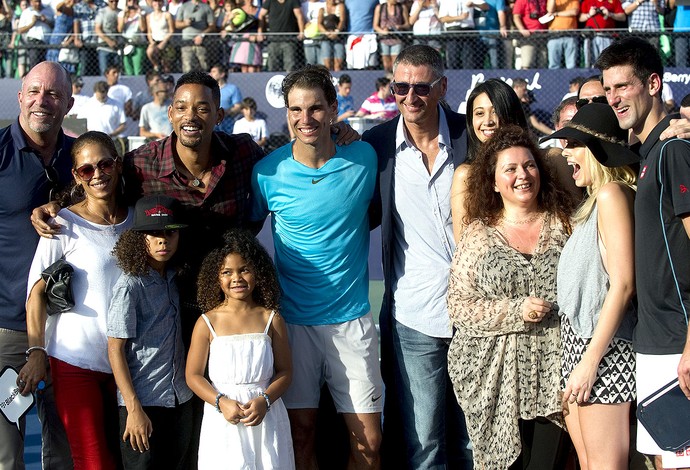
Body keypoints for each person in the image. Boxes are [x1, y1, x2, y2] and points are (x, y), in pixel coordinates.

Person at [250, 65, 382, 469]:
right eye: (295, 109)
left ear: (334, 109)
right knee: (300, 436)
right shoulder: (266, 172)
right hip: (294, 326)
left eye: (315, 108)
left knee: (370, 443)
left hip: (353, 322)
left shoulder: (364, 157)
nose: (304, 119)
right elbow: (244, 235)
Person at [362, 44, 472, 469]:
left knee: (470, 438)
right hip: (413, 316)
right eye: (400, 87)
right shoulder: (376, 146)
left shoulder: (472, 137)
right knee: (422, 441)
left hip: (476, 314)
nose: (409, 97)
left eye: (421, 87)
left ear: (442, 87)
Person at [447, 125, 574, 469]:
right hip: (498, 382)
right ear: (492, 181)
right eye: (511, 169)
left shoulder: (565, 226)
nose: (523, 175)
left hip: (557, 377)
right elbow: (459, 306)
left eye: (529, 165)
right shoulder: (479, 236)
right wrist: (516, 310)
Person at [595, 36, 690, 470]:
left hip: (678, 343)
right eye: (607, 88)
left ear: (653, 84)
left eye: (623, 87)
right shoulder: (648, 152)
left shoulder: (674, 151)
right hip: (654, 346)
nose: (613, 98)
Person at [21, 131, 133, 469]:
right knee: (93, 462)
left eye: (104, 164)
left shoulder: (136, 220)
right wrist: (37, 351)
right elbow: (35, 293)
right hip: (75, 363)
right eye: (86, 169)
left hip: (128, 365)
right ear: (76, 176)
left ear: (118, 165)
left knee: (128, 460)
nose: (97, 174)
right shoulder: (62, 224)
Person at [542, 103, 638, 470]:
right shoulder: (593, 201)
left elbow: (623, 284)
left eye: (574, 145)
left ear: (596, 150)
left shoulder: (612, 195)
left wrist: (589, 362)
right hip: (580, 350)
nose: (565, 154)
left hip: (603, 353)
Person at [0, 60, 73, 470]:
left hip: (70, 331)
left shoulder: (83, 160)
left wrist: (59, 201)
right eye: (34, 91)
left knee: (65, 453)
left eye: (53, 94)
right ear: (20, 96)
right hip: (8, 331)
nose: (42, 101)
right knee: (6, 458)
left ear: (68, 102)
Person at [186, 229, 294, 469]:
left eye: (244, 269)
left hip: (266, 416)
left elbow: (286, 372)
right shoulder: (207, 322)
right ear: (217, 277)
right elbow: (193, 376)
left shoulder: (271, 318)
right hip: (223, 418)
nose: (237, 278)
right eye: (227, 272)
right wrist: (221, 402)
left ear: (258, 271)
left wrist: (265, 400)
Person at [107, 195, 193, 469]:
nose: (162, 240)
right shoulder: (130, 285)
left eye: (170, 233)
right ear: (138, 238)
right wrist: (133, 408)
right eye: (153, 233)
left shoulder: (175, 277)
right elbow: (115, 348)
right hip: (143, 404)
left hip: (180, 399)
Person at [450, 78, 528, 242]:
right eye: (479, 113)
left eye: (495, 111)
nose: (488, 121)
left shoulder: (549, 161)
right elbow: (463, 249)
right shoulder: (465, 176)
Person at [257, 0, 304, 72]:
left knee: (290, 66)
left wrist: (301, 32)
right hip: (273, 40)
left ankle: (289, 83)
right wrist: (260, 32)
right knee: (272, 66)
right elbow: (261, 15)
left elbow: (299, 15)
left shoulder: (293, 1)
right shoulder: (270, 1)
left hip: (289, 40)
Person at [175, 0, 216, 73]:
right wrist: (185, 24)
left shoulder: (206, 7)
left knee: (204, 67)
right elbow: (177, 24)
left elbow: (212, 26)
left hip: (201, 43)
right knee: (187, 68)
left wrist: (202, 35)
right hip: (186, 42)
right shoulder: (183, 7)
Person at [373, 0, 409, 72]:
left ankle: (395, 79)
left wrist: (400, 26)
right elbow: (375, 26)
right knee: (386, 63)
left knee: (395, 62)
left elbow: (407, 24)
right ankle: (387, 78)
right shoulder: (380, 8)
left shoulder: (402, 7)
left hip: (397, 39)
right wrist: (383, 31)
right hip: (384, 39)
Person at [17, 0, 53, 69]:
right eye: (36, 1)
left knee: (46, 67)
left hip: (46, 43)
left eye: (39, 1)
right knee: (35, 66)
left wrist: (45, 20)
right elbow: (20, 30)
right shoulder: (27, 12)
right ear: (31, 2)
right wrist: (32, 23)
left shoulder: (48, 10)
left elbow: (54, 26)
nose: (38, 4)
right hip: (34, 42)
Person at [545, 0, 579, 69]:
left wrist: (556, 13)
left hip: (570, 35)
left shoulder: (573, 1)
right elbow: (550, 10)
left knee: (571, 65)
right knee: (554, 65)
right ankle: (553, 79)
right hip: (554, 35)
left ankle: (571, 79)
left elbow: (574, 12)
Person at [117, 0, 146, 76]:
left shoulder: (142, 13)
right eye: (129, 1)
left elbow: (143, 28)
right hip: (126, 43)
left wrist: (139, 14)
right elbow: (120, 29)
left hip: (138, 42)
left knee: (138, 69)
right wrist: (125, 14)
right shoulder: (121, 14)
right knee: (128, 68)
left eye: (134, 1)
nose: (132, 2)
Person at [145, 0, 174, 73]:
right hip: (155, 41)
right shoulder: (149, 16)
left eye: (159, 2)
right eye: (155, 2)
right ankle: (156, 65)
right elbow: (149, 31)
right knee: (150, 51)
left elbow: (171, 31)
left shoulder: (167, 15)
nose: (157, 4)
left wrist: (164, 42)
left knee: (166, 66)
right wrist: (151, 42)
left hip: (165, 41)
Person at [95, 0, 121, 75]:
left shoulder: (121, 13)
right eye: (111, 1)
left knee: (117, 73)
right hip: (104, 47)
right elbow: (97, 29)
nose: (114, 3)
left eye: (116, 1)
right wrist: (109, 41)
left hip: (117, 48)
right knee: (104, 72)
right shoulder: (102, 12)